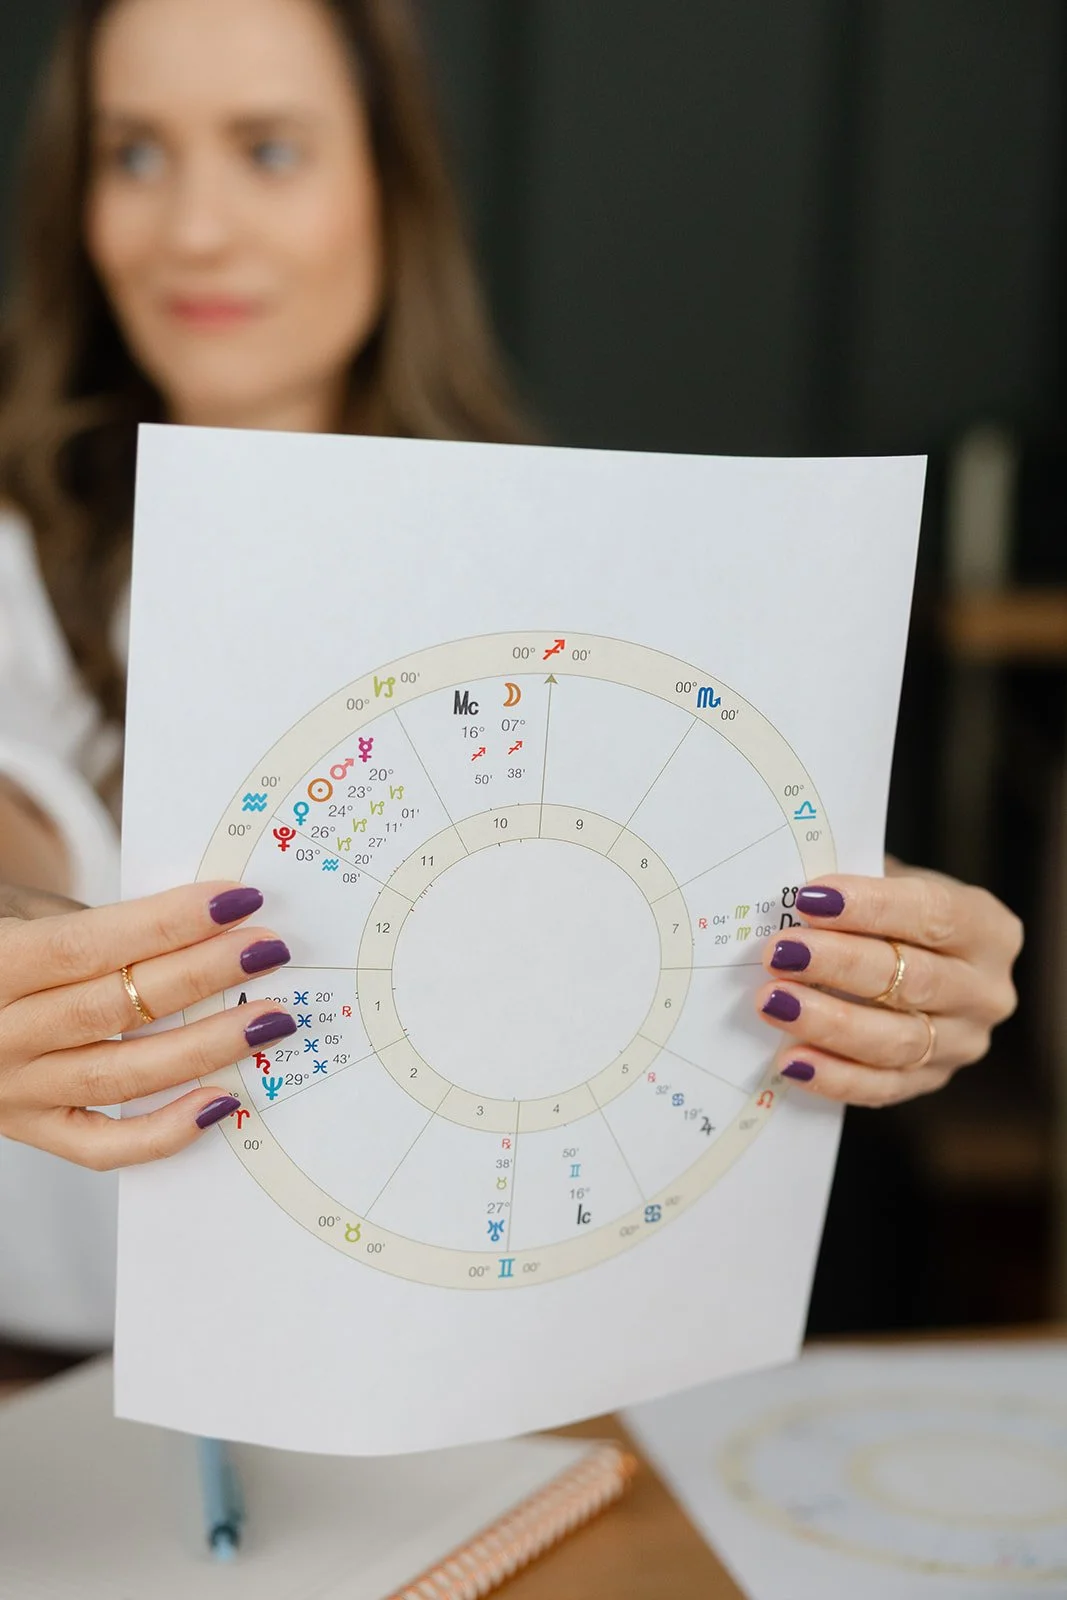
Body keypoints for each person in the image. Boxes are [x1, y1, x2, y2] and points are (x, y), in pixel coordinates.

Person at [0, 0, 1023, 1353]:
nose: (192, 228)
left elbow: (696, 873)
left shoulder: (568, 577)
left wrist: (892, 965)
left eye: (268, 149)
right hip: (41, 1376)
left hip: (455, 1371)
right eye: (133, 153)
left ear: (391, 184)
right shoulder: (15, 548)